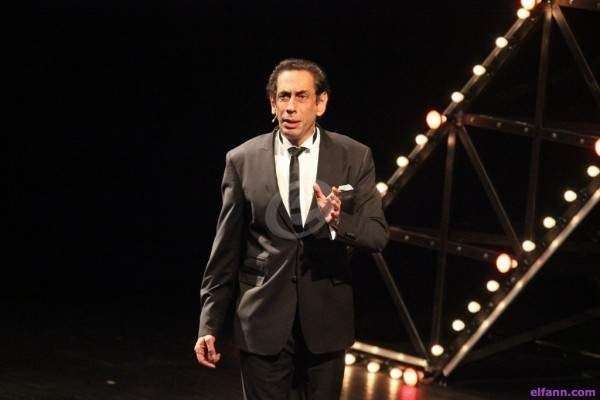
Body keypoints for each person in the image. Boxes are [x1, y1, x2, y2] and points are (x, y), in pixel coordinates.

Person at [194, 58, 389, 400]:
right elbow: (225, 249)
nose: (291, 107)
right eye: (283, 96)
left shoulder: (354, 156)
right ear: (272, 103)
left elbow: (377, 235)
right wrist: (209, 324)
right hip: (262, 319)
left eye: (301, 96)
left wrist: (337, 220)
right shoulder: (242, 159)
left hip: (326, 321)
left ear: (321, 103)